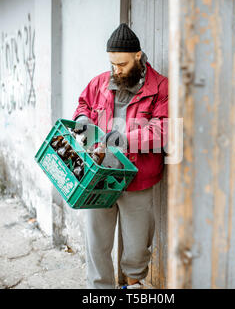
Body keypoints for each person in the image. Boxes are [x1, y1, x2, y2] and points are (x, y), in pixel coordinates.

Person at [72, 23, 168, 289]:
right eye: (113, 63)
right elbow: (84, 106)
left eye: (122, 64)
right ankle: (100, 290)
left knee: (137, 247)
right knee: (96, 243)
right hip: (99, 176)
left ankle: (134, 286)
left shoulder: (161, 87)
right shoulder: (100, 82)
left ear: (138, 56)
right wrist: (82, 121)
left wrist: (121, 139)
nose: (116, 70)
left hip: (137, 180)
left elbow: (163, 131)